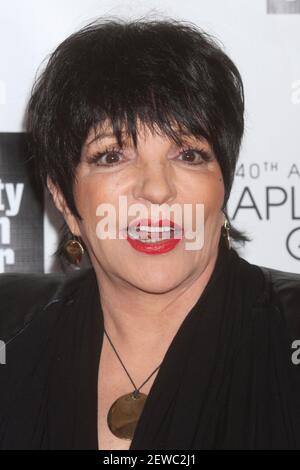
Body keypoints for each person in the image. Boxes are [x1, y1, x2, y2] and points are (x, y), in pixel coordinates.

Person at [0, 17, 300, 451]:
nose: (156, 190)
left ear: (223, 185)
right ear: (64, 198)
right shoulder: (17, 350)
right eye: (112, 155)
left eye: (189, 154)